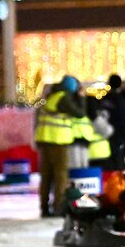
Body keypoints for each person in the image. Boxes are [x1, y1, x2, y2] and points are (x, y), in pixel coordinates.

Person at [35, 75, 86, 217]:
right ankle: (58, 207)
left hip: (45, 140)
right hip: (57, 141)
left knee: (46, 176)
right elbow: (80, 113)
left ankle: (44, 207)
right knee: (60, 175)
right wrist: (81, 97)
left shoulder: (53, 95)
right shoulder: (64, 98)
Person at [102, 74, 125, 170]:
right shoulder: (122, 100)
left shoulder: (104, 99)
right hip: (120, 137)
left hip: (106, 137)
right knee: (119, 164)